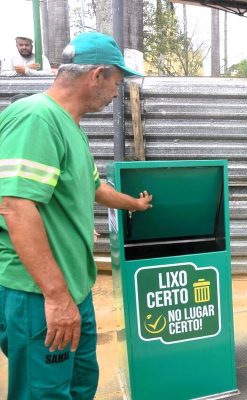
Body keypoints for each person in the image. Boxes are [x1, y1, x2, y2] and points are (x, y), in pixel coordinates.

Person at [0, 32, 151, 399]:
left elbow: (94, 186)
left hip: (74, 288)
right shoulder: (36, 118)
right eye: (117, 81)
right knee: (45, 392)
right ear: (97, 75)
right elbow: (15, 206)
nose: (117, 92)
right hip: (40, 294)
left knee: (81, 382)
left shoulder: (71, 127)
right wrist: (55, 297)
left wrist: (135, 205)